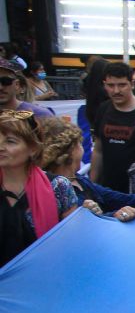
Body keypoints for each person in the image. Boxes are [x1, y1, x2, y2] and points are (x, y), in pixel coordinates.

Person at [0, 110, 77, 267]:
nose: (1, 147)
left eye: (10, 141)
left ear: (33, 149)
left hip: (44, 279)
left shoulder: (58, 187)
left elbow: (73, 241)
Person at [38, 117, 135, 218]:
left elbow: (120, 198)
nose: (82, 149)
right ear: (71, 151)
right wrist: (116, 215)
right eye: (79, 143)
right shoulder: (57, 189)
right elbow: (79, 225)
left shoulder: (79, 180)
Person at [91, 61, 135, 193]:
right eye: (111, 85)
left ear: (132, 84)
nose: (116, 91)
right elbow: (98, 150)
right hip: (108, 189)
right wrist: (92, 186)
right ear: (105, 85)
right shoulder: (103, 109)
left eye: (122, 85)